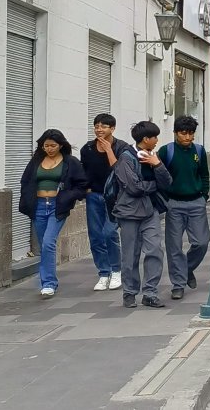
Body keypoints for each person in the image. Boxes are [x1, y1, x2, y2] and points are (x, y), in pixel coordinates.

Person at [18, 129, 87, 298]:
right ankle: (48, 281)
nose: (49, 149)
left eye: (53, 145)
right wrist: (27, 201)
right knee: (44, 246)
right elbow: (25, 181)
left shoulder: (70, 162)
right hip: (39, 206)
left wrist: (68, 196)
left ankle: (48, 283)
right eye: (45, 145)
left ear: (61, 145)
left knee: (49, 242)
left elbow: (82, 185)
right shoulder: (36, 161)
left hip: (57, 206)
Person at [113, 121, 171, 309]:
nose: (156, 141)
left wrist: (158, 165)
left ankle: (150, 293)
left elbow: (168, 182)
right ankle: (129, 293)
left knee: (155, 250)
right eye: (154, 137)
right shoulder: (126, 157)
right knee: (130, 254)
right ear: (146, 139)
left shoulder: (154, 156)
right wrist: (153, 186)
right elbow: (133, 187)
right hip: (129, 212)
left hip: (150, 211)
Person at [158, 115, 210, 301]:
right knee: (174, 246)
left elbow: (204, 175)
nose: (187, 137)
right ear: (175, 133)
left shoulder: (199, 151)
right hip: (174, 204)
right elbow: (160, 176)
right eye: (183, 133)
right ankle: (178, 284)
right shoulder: (166, 151)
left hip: (196, 202)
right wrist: (165, 200)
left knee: (201, 242)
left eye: (190, 133)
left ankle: (187, 268)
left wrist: (204, 195)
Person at [79, 113, 128, 292]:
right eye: (97, 126)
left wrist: (108, 150)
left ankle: (116, 270)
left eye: (104, 126)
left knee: (109, 233)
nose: (99, 129)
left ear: (112, 128)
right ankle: (103, 273)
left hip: (114, 197)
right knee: (96, 236)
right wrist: (86, 189)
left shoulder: (122, 147)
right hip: (93, 196)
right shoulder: (87, 149)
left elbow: (121, 171)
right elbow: (83, 171)